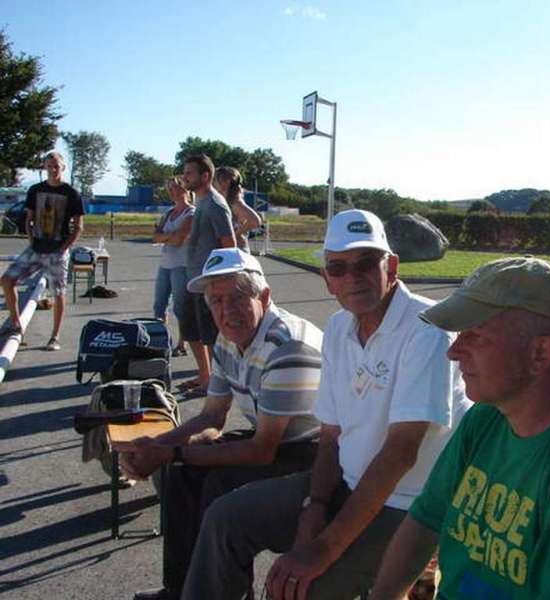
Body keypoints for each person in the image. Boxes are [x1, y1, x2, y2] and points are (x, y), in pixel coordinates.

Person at [180, 209, 471, 600]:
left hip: (409, 507)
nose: (352, 277)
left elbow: (401, 453)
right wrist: (314, 506)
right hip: (347, 486)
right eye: (338, 267)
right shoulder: (338, 327)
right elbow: (331, 436)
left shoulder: (426, 327)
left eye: (366, 263)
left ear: (392, 266)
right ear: (327, 279)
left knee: (301, 587)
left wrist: (321, 547)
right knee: (225, 518)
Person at [371, 257, 550, 600]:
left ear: (541, 352)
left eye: (474, 336)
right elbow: (425, 521)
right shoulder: (488, 414)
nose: (453, 351)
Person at [115, 248, 324, 600]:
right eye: (215, 301)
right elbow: (212, 418)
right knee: (180, 477)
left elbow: (262, 451)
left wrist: (169, 453)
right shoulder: (229, 337)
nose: (226, 312)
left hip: (318, 451)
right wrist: (155, 446)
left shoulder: (287, 346)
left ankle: (223, 594)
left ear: (265, 296)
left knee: (217, 486)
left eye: (238, 298)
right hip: (277, 438)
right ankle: (181, 589)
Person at [1, 151, 84, 351]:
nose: (53, 169)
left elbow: (79, 226)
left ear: (62, 168)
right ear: (45, 168)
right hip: (36, 247)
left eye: (56, 166)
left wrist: (64, 248)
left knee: (58, 292)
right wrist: (31, 239)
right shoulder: (35, 190)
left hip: (58, 250)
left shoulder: (71, 194)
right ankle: (15, 324)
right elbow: (29, 219)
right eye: (49, 166)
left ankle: (54, 336)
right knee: (6, 280)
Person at [180, 154, 235, 395]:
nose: (185, 177)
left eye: (189, 173)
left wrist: (220, 282)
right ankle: (205, 376)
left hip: (208, 281)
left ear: (205, 176)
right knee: (191, 330)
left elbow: (229, 244)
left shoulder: (215, 205)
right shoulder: (199, 202)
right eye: (185, 172)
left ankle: (217, 387)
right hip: (191, 278)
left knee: (211, 337)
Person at [153, 177, 195, 355]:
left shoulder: (192, 213)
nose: (173, 192)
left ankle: (182, 342)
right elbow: (155, 237)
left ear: (186, 190)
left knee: (180, 306)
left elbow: (179, 240)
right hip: (165, 264)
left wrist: (166, 237)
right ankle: (160, 340)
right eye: (170, 189)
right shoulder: (168, 213)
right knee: (159, 306)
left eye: (177, 188)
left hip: (182, 265)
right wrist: (169, 236)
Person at [213, 166, 262, 253]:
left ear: (225, 182)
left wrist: (235, 235)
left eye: (215, 180)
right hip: (227, 250)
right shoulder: (223, 201)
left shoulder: (235, 202)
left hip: (238, 251)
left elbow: (255, 221)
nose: (213, 184)